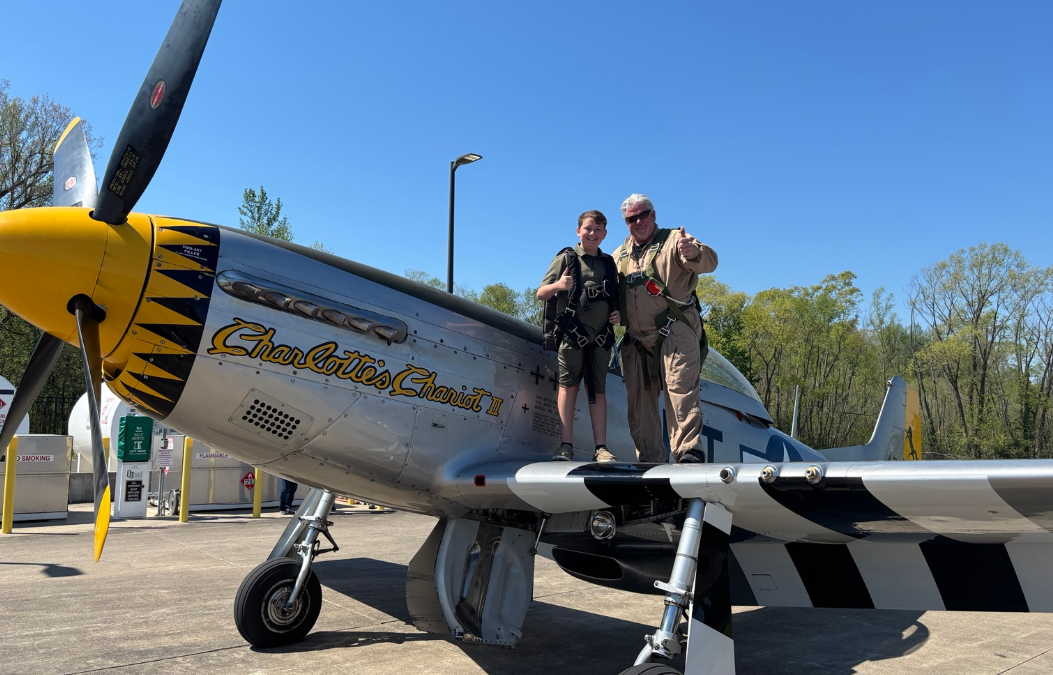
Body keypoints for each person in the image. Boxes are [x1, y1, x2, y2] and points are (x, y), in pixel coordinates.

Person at [613, 194, 718, 464]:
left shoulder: (675, 240)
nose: (638, 221)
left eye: (643, 214)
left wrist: (692, 253)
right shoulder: (618, 256)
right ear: (626, 222)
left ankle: (688, 453)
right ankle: (650, 462)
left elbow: (710, 261)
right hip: (636, 339)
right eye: (631, 218)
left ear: (653, 214)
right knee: (638, 406)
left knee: (680, 392)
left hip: (675, 329)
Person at [537, 210, 621, 462]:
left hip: (601, 337)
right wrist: (559, 286)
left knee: (598, 390)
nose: (592, 234)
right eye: (588, 229)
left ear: (605, 234)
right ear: (578, 231)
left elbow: (613, 298)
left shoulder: (608, 263)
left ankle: (601, 448)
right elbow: (541, 293)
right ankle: (565, 446)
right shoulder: (566, 258)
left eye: (598, 230)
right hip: (572, 335)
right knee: (568, 387)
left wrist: (617, 315)